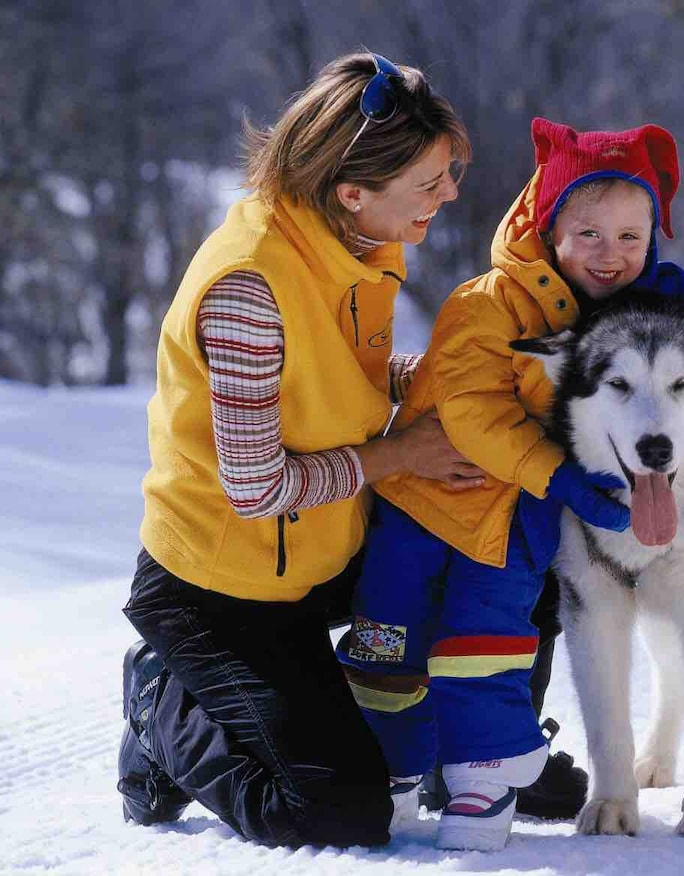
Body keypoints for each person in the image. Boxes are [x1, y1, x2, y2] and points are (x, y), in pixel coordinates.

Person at [337, 117, 684, 851]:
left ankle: (482, 773)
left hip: (521, 521)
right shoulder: (492, 302)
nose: (611, 257)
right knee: (395, 636)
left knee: (497, 639)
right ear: (549, 227)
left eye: (631, 237)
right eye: (590, 236)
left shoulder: (663, 292)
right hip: (439, 499)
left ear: (653, 238)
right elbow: (474, 412)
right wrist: (561, 479)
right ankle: (391, 768)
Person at [117, 51, 484, 849]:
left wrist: (430, 384)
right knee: (339, 811)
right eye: (431, 183)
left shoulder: (349, 243)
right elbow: (255, 486)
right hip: (221, 590)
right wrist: (405, 453)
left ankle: (482, 750)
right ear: (353, 191)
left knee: (491, 552)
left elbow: (331, 380)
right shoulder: (249, 285)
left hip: (316, 554)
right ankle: (161, 707)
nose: (448, 194)